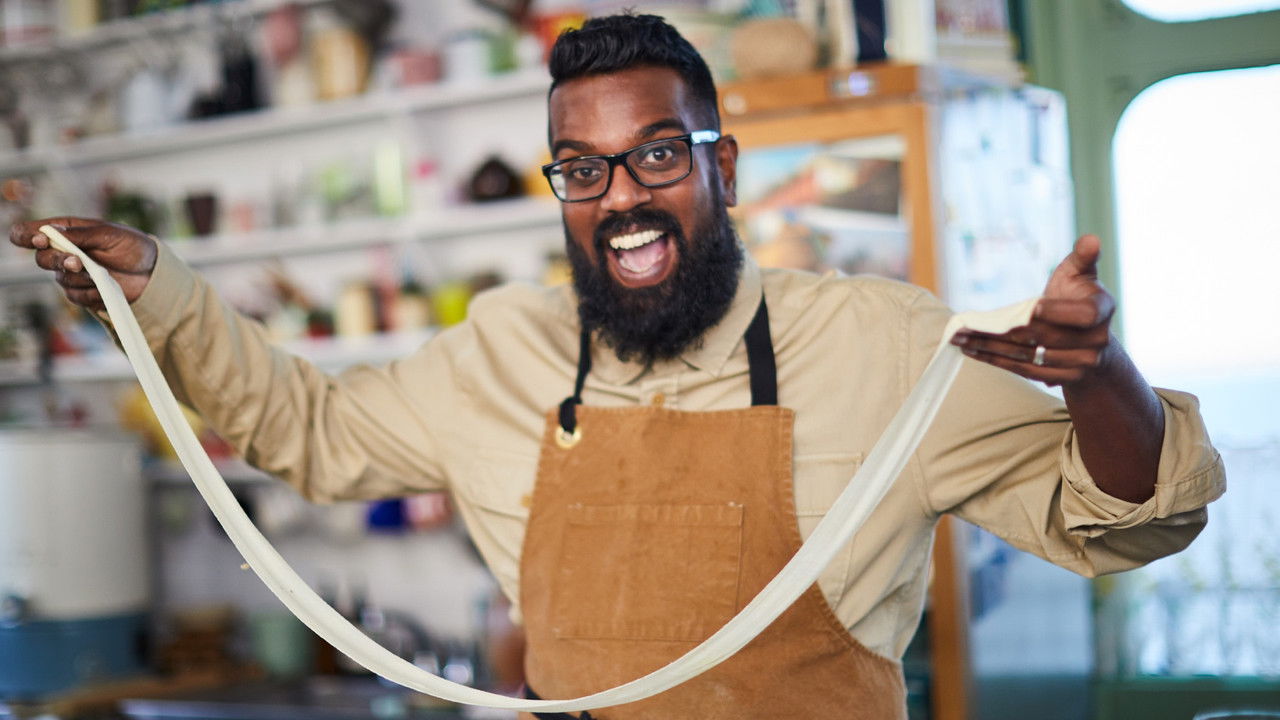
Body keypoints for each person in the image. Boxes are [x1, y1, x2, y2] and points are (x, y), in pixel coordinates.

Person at [11, 14, 1223, 720]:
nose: (621, 199)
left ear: (724, 167)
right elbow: (304, 427)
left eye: (655, 156)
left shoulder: (878, 341)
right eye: (580, 169)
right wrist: (155, 287)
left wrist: (1092, 373)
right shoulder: (499, 350)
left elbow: (1120, 520)